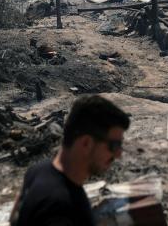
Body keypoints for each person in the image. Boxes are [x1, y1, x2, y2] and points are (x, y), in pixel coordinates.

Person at [10, 95, 130, 226]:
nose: (118, 155)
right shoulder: (62, 208)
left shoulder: (36, 171)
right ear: (86, 143)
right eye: (114, 146)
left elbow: (14, 219)